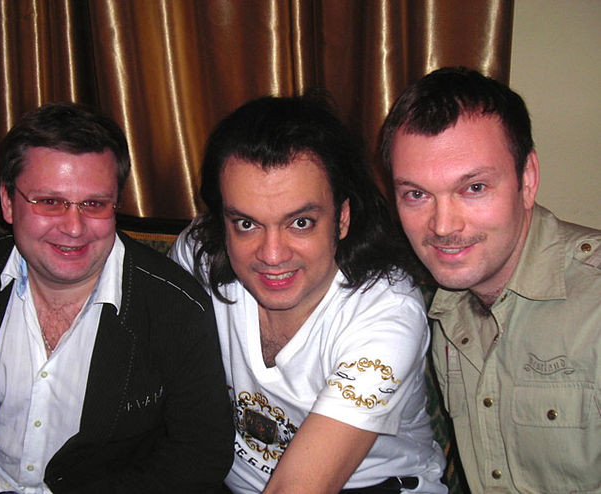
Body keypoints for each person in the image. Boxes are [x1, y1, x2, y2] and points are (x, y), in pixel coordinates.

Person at [0, 102, 233, 493]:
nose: (74, 227)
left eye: (94, 204)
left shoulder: (177, 307)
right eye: (50, 202)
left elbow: (201, 454)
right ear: (8, 202)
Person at [169, 95, 446, 494]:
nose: (272, 255)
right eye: (246, 224)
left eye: (300, 222)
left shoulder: (386, 312)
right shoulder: (202, 254)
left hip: (375, 486)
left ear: (342, 219)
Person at [379, 66, 601, 493]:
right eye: (417, 195)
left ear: (527, 179)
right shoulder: (439, 306)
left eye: (474, 188)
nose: (443, 226)